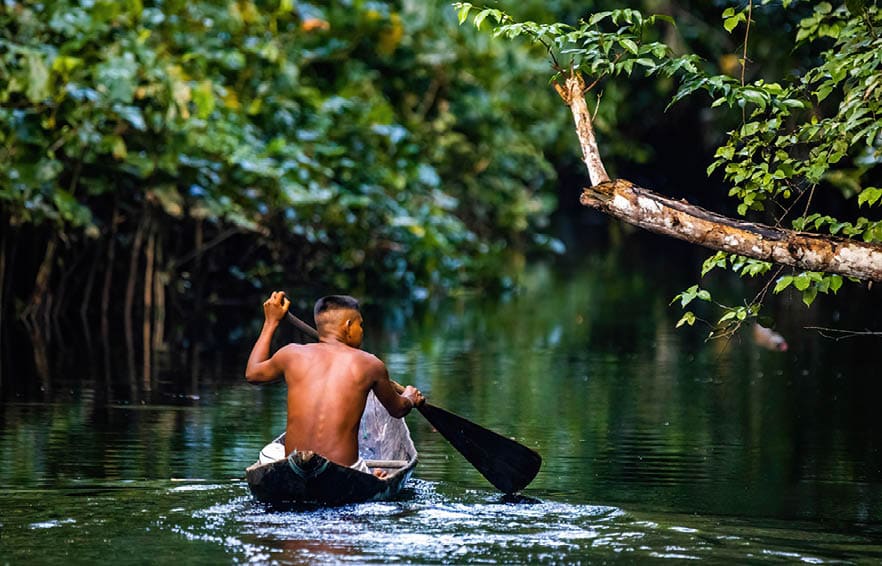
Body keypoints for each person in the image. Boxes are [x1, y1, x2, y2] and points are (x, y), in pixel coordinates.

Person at [244, 291, 424, 477]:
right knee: (368, 473)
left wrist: (270, 322)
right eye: (360, 325)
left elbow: (252, 374)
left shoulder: (291, 354)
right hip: (345, 472)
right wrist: (410, 397)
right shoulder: (370, 364)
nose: (362, 331)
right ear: (348, 326)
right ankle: (371, 476)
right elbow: (397, 409)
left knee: (271, 452)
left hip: (294, 467)